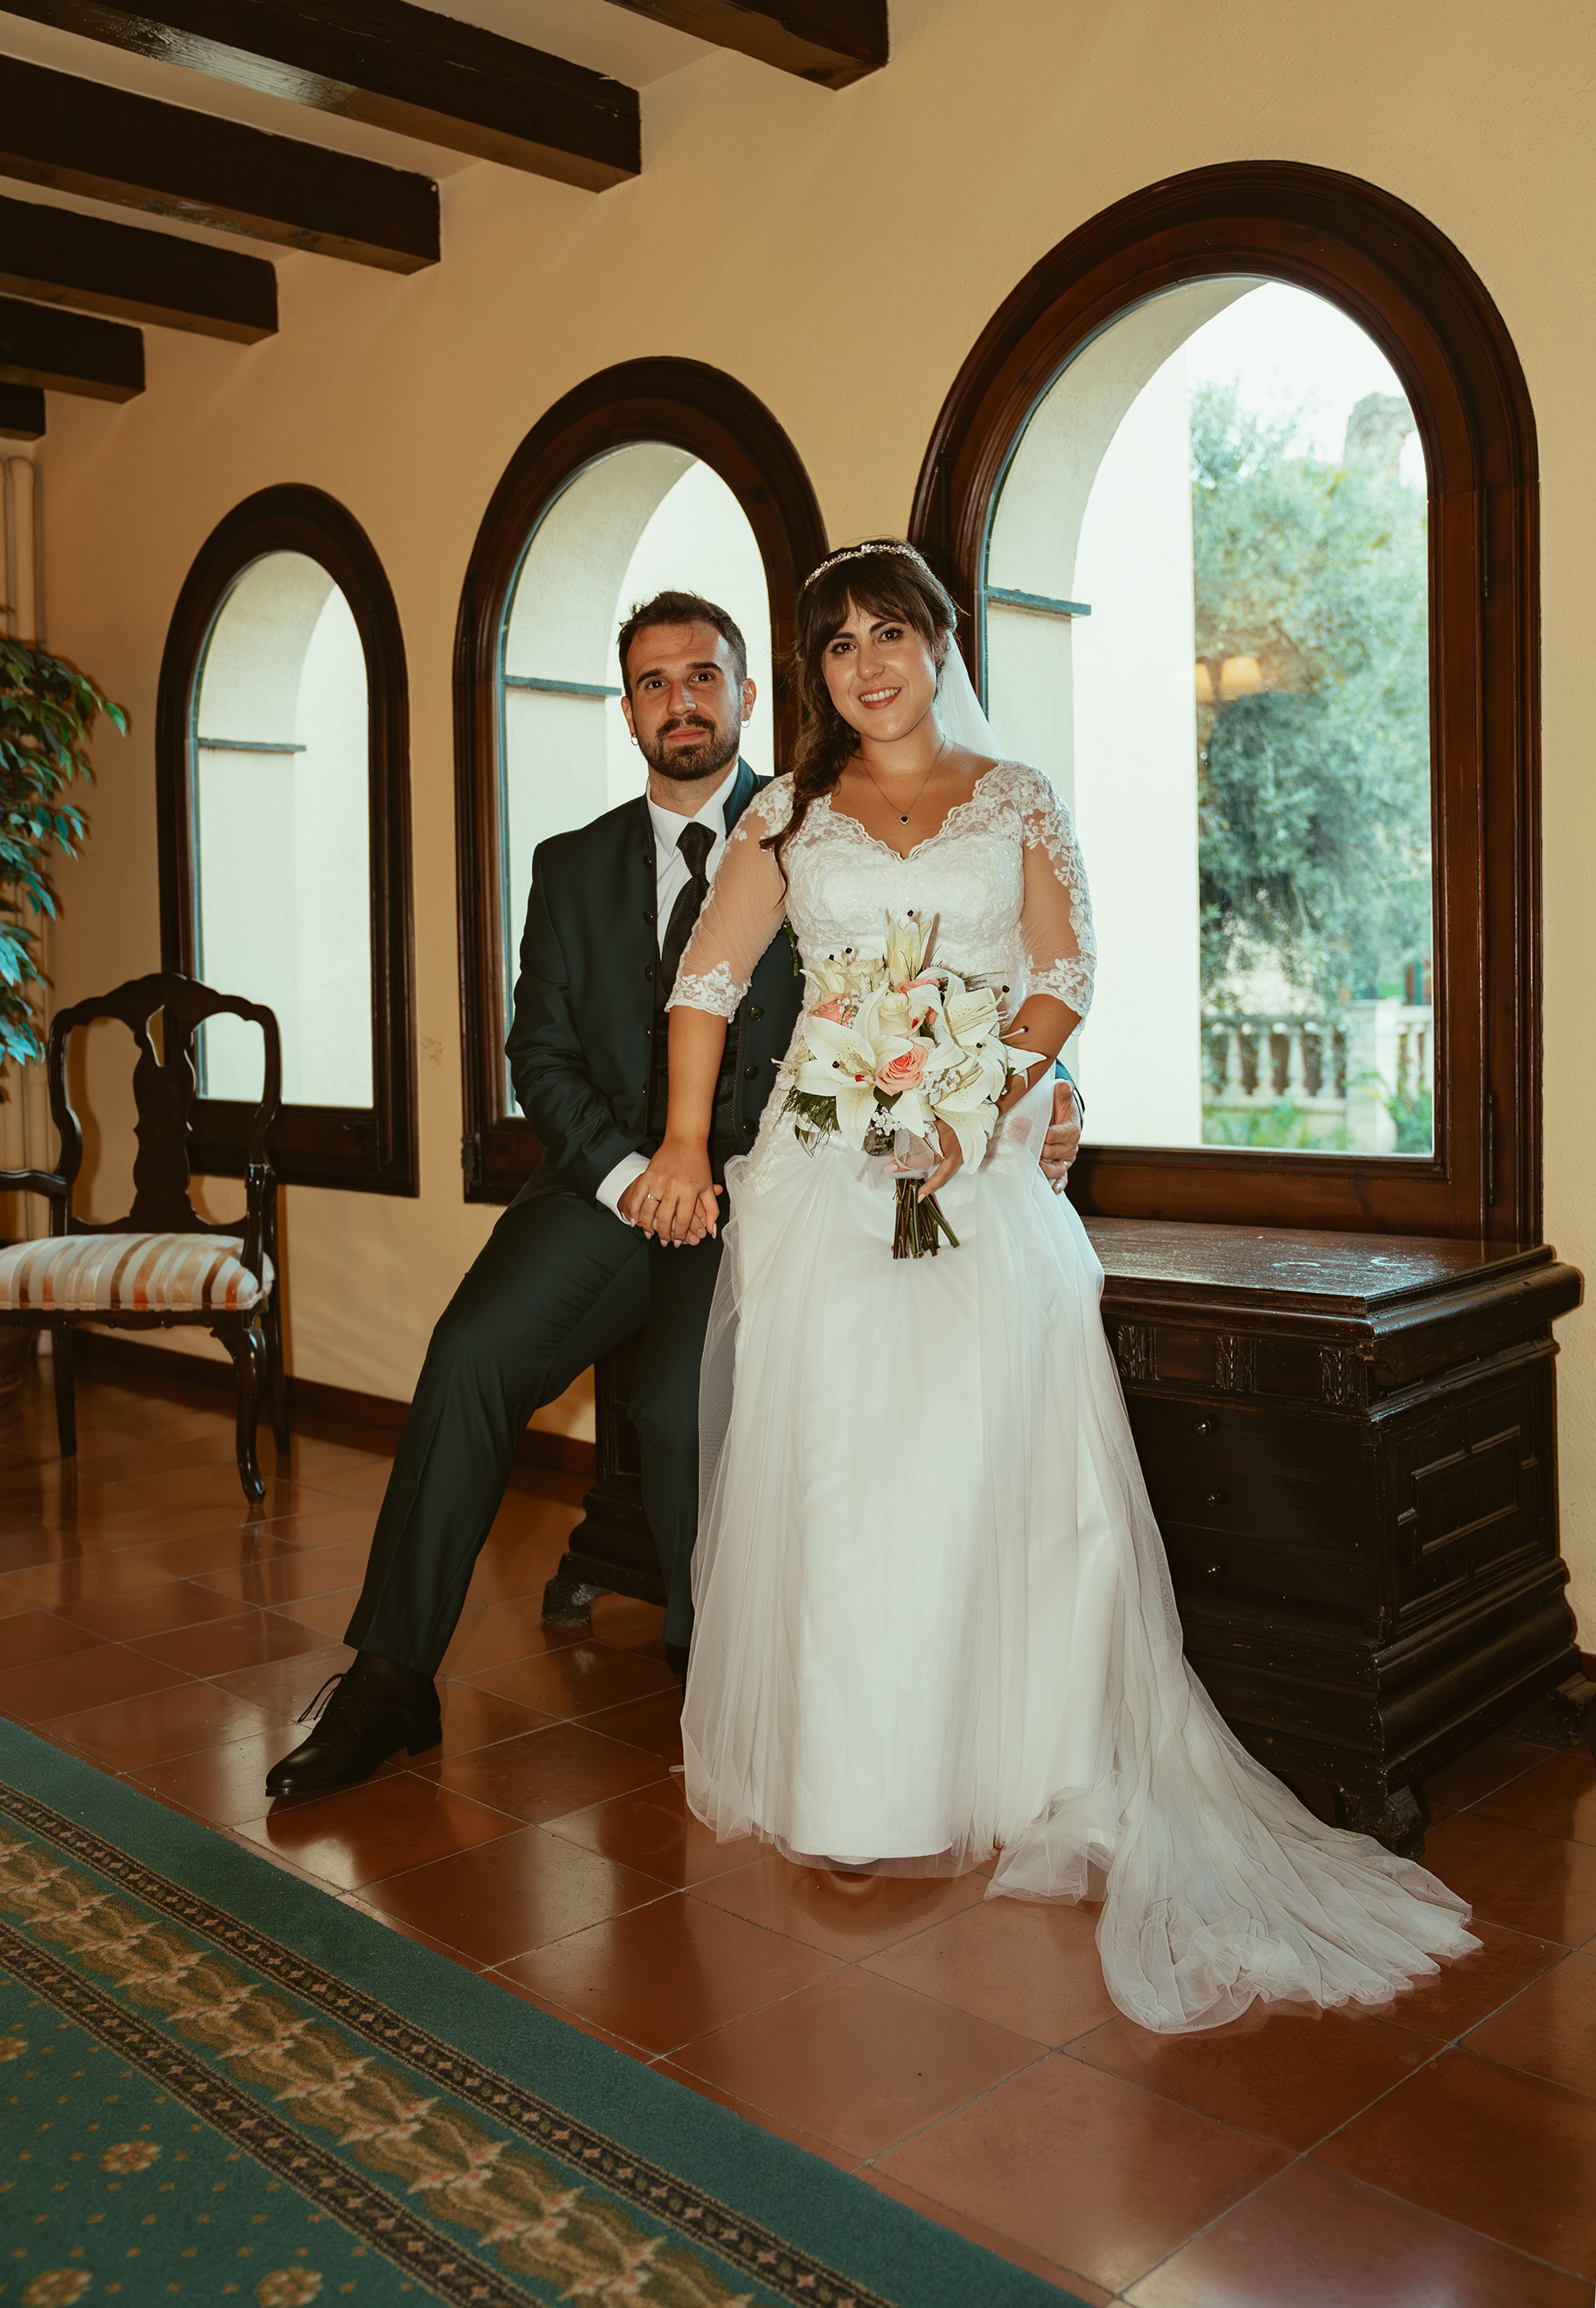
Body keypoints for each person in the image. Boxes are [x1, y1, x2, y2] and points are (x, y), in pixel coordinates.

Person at [632, 538, 1480, 2037]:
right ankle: (856, 1784)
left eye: (891, 634)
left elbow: (1061, 973)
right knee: (841, 1469)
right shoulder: (787, 812)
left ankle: (1015, 1766)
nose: (868, 666)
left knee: (984, 1465)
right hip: (824, 1171)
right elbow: (707, 982)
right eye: (838, 645)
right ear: (815, 674)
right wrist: (689, 1142)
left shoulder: (1016, 796)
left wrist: (981, 1101)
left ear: (938, 645)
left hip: (984, 1167)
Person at [264, 584, 1086, 1798]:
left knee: (683, 1412)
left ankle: (717, 1672)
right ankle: (388, 1680)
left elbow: (962, 970)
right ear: (629, 711)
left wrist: (1045, 1090)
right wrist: (631, 1172)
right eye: (653, 683)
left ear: (749, 694)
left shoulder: (820, 818)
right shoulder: (569, 865)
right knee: (472, 1352)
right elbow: (539, 1052)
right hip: (603, 1187)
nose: (680, 700)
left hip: (775, 1186)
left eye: (703, 675)